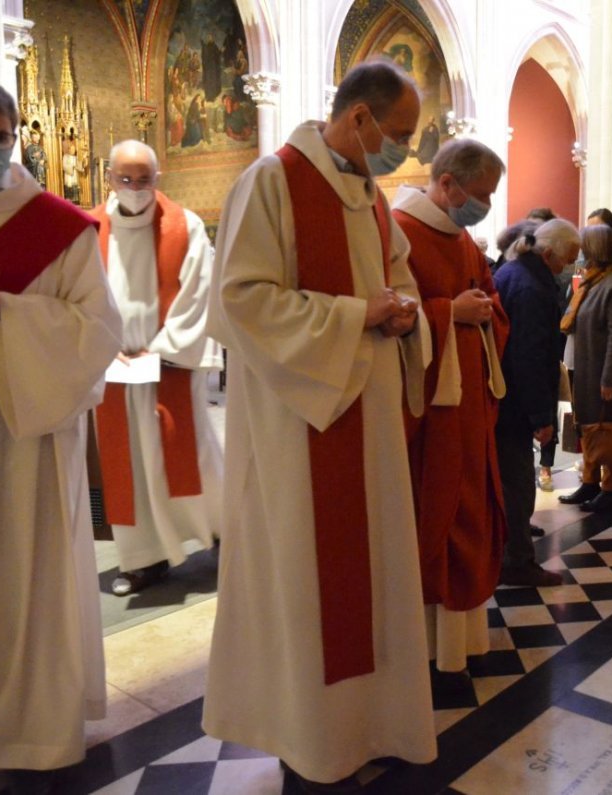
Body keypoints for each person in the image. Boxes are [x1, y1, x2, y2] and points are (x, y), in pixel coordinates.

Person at [202, 60, 436, 791]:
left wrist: (405, 314)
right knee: (310, 583)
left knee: (374, 575)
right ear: (359, 118)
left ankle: (373, 724)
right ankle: (313, 740)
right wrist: (355, 315)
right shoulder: (274, 180)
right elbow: (237, 302)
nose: (402, 150)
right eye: (396, 134)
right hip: (297, 425)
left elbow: (399, 282)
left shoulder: (369, 196)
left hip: (367, 423)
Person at [0, 73, 121, 793]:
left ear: (18, 136)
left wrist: (5, 308)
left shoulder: (56, 224)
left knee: (26, 578)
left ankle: (27, 729)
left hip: (29, 439)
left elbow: (100, 328)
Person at [392, 138, 509, 684]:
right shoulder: (399, 231)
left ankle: (462, 643)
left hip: (470, 410)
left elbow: (489, 296)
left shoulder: (463, 238)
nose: (484, 204)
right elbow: (389, 316)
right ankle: (429, 646)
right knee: (435, 514)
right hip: (428, 412)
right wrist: (448, 312)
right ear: (447, 184)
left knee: (473, 513)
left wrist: (486, 310)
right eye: (481, 194)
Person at [91, 140, 223, 596]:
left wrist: (161, 350)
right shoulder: (87, 230)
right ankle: (145, 560)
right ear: (108, 177)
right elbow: (77, 299)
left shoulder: (183, 226)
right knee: (129, 466)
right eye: (123, 179)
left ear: (157, 178)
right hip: (112, 369)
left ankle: (222, 530)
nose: (133, 188)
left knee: (192, 454)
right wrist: (104, 350)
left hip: (168, 366)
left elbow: (199, 292)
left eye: (142, 179)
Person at [494, 218, 579, 587]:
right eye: (567, 259)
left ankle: (509, 553)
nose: (570, 267)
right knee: (516, 483)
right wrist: (542, 416)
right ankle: (517, 562)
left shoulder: (513, 273)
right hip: (513, 402)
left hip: (504, 398)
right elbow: (529, 356)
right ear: (548, 254)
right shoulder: (531, 288)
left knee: (511, 481)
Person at [558, 224, 612, 514]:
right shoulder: (594, 280)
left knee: (608, 427)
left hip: (603, 372)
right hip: (587, 366)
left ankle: (610, 490)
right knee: (589, 425)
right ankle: (590, 483)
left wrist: (609, 378)